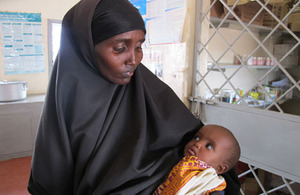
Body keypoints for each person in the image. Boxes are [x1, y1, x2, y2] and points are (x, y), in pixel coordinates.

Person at [28, 0, 240, 194]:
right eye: (120, 48)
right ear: (85, 47)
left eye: (139, 47)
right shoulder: (66, 104)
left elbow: (206, 151)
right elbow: (51, 182)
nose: (134, 60)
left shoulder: (150, 90)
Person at [153, 125, 241, 195]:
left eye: (209, 146)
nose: (197, 143)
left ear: (220, 168)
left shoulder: (209, 179)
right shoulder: (177, 159)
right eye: (197, 137)